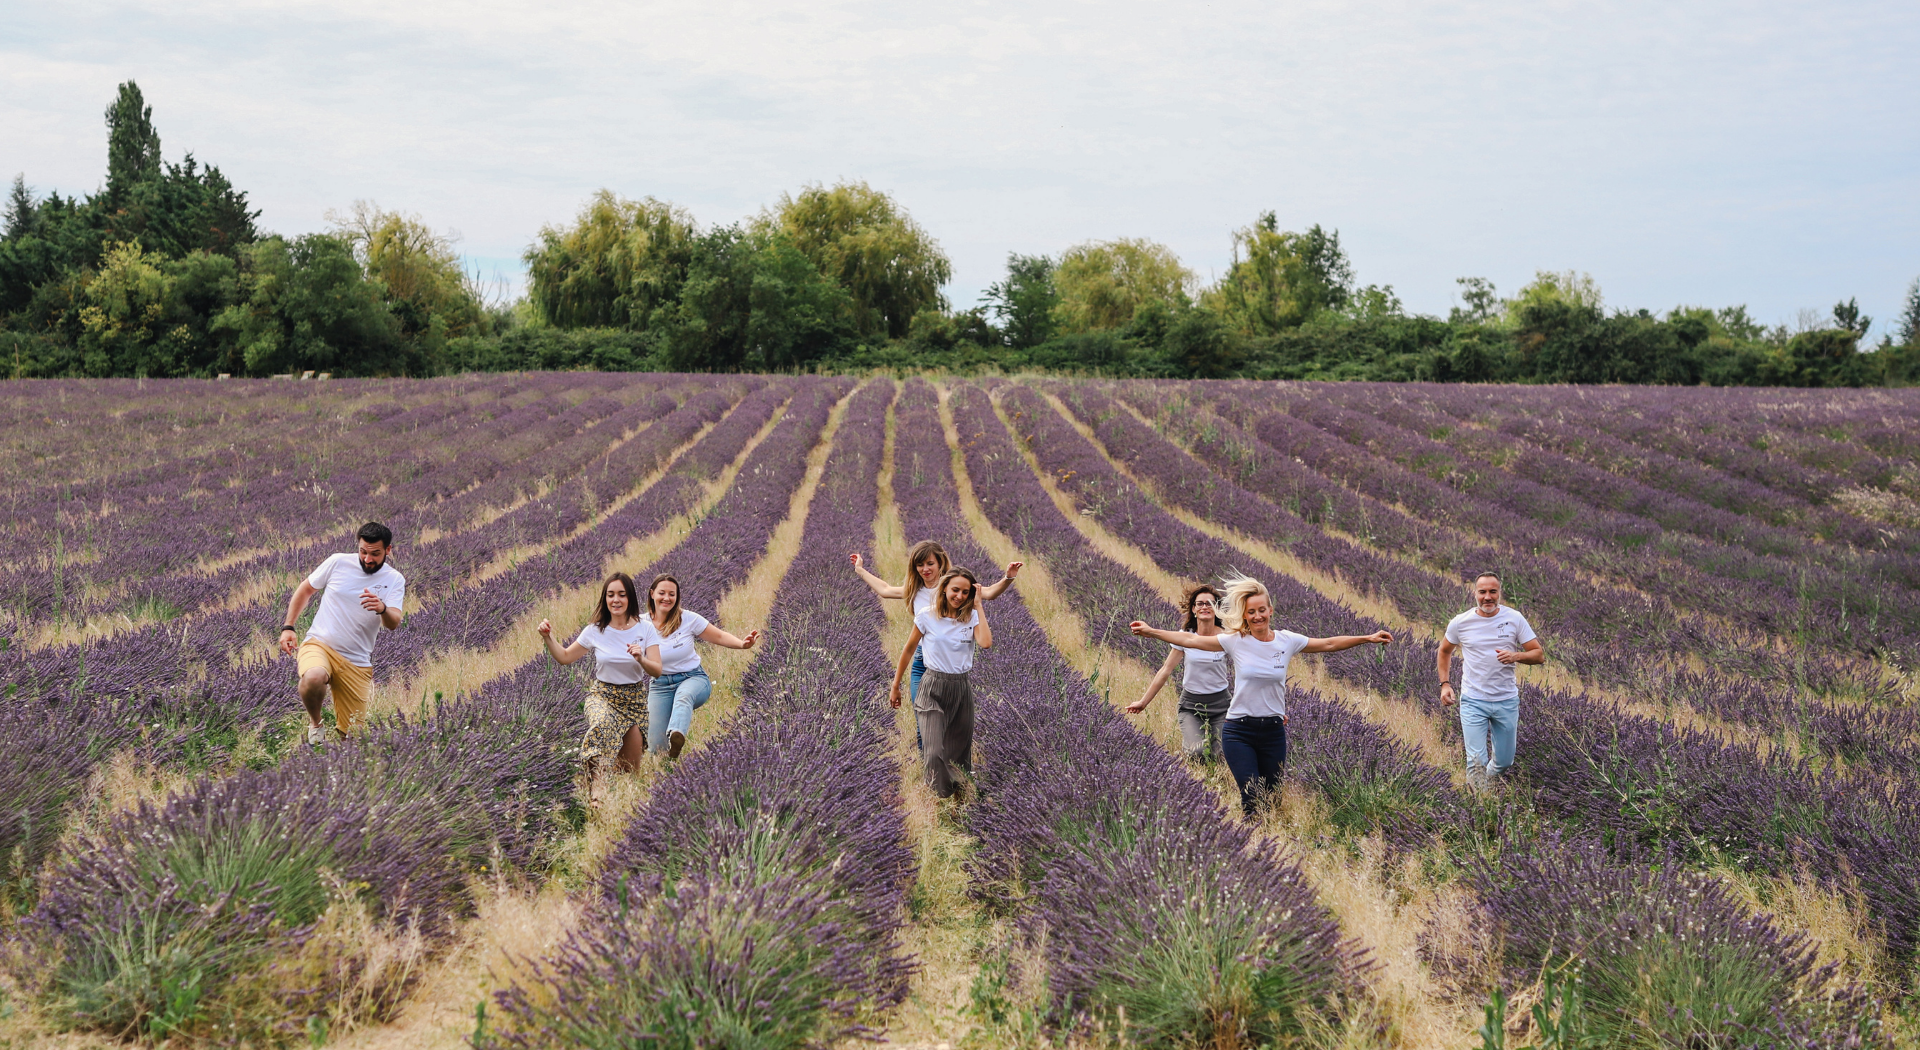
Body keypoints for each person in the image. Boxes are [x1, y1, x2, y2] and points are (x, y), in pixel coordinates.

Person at [1131, 575, 1391, 816]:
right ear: (1245, 615)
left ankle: (1269, 839)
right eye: (1251, 612)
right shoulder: (1235, 641)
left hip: (1273, 731)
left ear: (1270, 611)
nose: (1257, 616)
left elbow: (1328, 644)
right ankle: (1249, 848)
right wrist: (1151, 631)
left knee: (1272, 798)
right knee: (1252, 795)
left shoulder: (1287, 641)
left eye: (1261, 610)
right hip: (1238, 730)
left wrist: (1367, 638)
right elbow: (1190, 641)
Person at [279, 522, 406, 744]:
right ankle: (316, 724)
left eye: (375, 554)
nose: (367, 559)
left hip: (356, 661)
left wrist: (382, 609)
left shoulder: (394, 579)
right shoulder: (338, 562)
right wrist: (288, 626)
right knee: (314, 676)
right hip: (320, 644)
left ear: (388, 550)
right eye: (363, 551)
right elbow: (306, 589)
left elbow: (393, 622)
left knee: (354, 739)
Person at [851, 542, 1020, 709]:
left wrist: (1008, 577)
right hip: (922, 660)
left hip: (949, 660)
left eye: (930, 564)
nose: (925, 569)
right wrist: (860, 570)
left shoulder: (953, 589)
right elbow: (885, 590)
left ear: (940, 563)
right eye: (920, 565)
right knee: (923, 720)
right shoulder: (914, 590)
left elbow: (989, 593)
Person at [537, 573, 649, 809]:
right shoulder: (595, 630)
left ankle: (612, 794)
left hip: (634, 701)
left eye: (621, 594)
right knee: (602, 723)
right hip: (603, 696)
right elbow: (566, 657)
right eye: (610, 595)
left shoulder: (644, 628)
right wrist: (548, 638)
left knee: (630, 769)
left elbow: (658, 664)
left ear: (630, 598)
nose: (615, 600)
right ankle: (597, 793)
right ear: (604, 598)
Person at [627, 574, 759, 760]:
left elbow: (719, 636)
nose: (667, 598)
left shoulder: (687, 619)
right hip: (660, 685)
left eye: (672, 594)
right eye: (662, 593)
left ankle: (676, 734)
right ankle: (670, 764)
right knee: (657, 748)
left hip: (693, 679)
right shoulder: (640, 623)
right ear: (651, 594)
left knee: (684, 696)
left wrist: (742, 644)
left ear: (677, 597)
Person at [891, 567, 992, 799]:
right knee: (934, 750)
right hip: (931, 686)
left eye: (966, 592)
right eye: (955, 590)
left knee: (958, 752)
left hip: (961, 689)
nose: (960, 596)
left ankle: (960, 795)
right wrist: (896, 685)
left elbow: (985, 643)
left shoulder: (972, 616)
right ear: (944, 588)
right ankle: (940, 796)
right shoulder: (927, 615)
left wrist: (978, 606)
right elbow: (908, 650)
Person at [1438, 571, 1544, 789]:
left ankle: (1486, 782)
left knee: (1505, 761)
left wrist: (1516, 656)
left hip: (1506, 700)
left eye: (1492, 592)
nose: (1487, 597)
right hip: (1473, 700)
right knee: (1475, 761)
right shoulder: (1461, 622)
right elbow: (1444, 650)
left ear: (1499, 593)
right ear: (1475, 593)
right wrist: (1445, 684)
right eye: (1482, 592)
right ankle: (1478, 806)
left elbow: (1538, 654)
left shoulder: (1514, 618)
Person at [1126, 584, 1231, 762]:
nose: (1205, 607)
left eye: (1210, 603)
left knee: (1221, 754)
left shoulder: (1227, 637)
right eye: (1200, 603)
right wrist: (1143, 702)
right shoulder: (1184, 636)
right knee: (1197, 752)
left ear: (1217, 609)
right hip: (1191, 705)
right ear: (1193, 609)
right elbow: (1165, 670)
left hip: (1221, 705)